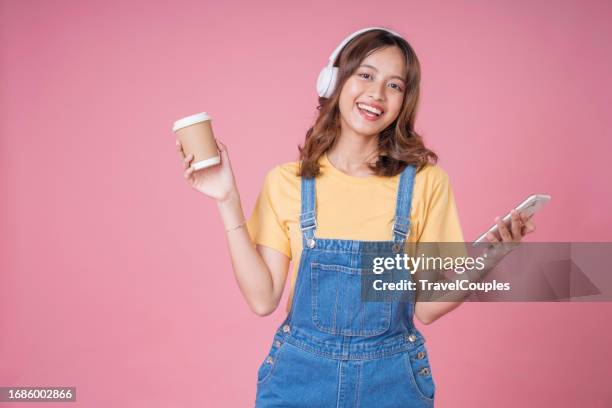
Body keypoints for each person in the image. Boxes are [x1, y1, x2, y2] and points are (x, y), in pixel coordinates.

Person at [176, 27, 536, 407]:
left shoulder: (427, 184)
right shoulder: (287, 182)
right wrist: (227, 199)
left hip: (392, 382)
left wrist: (489, 260)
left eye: (394, 85)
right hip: (299, 380)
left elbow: (427, 308)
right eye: (365, 75)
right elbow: (263, 299)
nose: (377, 94)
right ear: (334, 81)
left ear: (404, 101)